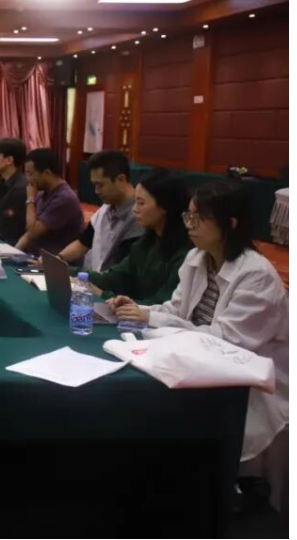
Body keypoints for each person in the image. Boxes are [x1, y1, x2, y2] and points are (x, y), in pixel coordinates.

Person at [110, 181, 288, 469]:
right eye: (188, 216)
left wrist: (151, 318)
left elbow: (226, 343)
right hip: (199, 367)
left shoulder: (257, 275)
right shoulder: (197, 257)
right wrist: (138, 310)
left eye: (199, 218)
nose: (189, 225)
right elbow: (176, 310)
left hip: (248, 389)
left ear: (230, 224)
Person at [85, 168, 192, 305]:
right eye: (135, 201)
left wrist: (104, 295)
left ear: (165, 206)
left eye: (141, 203)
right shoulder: (146, 242)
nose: (134, 209)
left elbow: (163, 304)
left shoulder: (186, 253)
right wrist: (74, 275)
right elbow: (116, 277)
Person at [58, 151, 145, 269]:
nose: (96, 191)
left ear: (121, 180)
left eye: (100, 185)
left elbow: (124, 270)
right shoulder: (105, 209)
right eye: (95, 185)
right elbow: (83, 243)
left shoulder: (140, 217)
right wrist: (58, 258)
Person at [15, 148, 84, 255]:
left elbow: (33, 232)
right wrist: (13, 252)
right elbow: (28, 235)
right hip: (34, 256)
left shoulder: (64, 199)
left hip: (54, 261)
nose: (28, 179)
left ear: (47, 173)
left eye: (30, 174)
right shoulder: (42, 193)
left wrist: (30, 200)